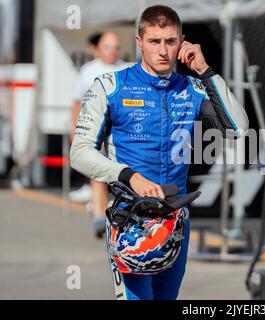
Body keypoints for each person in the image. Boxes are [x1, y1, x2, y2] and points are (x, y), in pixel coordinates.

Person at [70, 5, 248, 300]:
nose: (163, 50)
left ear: (182, 43)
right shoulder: (111, 86)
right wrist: (129, 176)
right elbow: (79, 152)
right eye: (154, 41)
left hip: (176, 218)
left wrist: (205, 70)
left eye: (170, 41)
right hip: (131, 219)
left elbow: (238, 128)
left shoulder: (193, 87)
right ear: (139, 43)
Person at [70, 31, 127, 238]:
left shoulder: (125, 68)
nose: (112, 51)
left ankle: (112, 214)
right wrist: (74, 129)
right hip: (95, 129)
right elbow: (76, 103)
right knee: (98, 174)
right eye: (107, 47)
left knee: (117, 175)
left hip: (118, 132)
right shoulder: (88, 71)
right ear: (98, 49)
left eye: (116, 47)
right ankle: (98, 216)